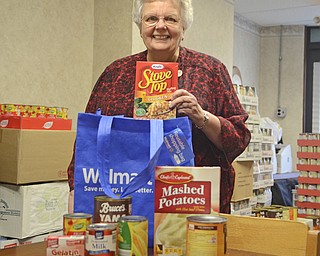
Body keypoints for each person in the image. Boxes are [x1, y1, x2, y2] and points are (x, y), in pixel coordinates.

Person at [67, 0, 251, 214]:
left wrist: (201, 116)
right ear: (140, 27)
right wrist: (76, 188)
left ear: (183, 28)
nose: (160, 26)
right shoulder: (115, 73)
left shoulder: (210, 71)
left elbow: (238, 139)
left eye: (170, 19)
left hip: (189, 199)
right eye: (151, 19)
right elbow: (88, 138)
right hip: (123, 198)